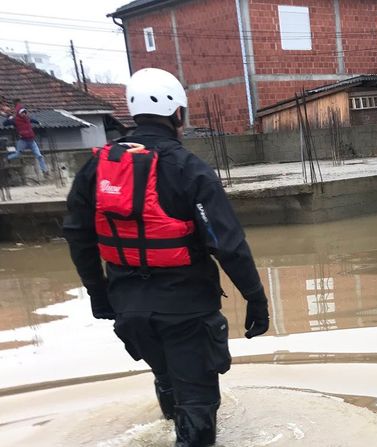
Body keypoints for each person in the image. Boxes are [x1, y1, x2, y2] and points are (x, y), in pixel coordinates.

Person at [62, 68, 269, 447]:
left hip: (129, 310)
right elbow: (228, 244)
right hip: (186, 310)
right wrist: (256, 298)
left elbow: (78, 235)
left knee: (167, 379)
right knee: (198, 404)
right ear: (177, 114)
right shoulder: (188, 168)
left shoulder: (96, 167)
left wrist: (98, 294)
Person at [2, 99, 49, 176]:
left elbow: (32, 120)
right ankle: (7, 158)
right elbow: (4, 124)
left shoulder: (27, 118)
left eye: (25, 112)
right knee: (17, 154)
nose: (24, 114)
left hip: (31, 141)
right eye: (22, 113)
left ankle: (45, 171)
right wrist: (9, 118)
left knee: (39, 156)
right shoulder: (15, 120)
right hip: (22, 141)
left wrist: (38, 122)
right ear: (19, 113)